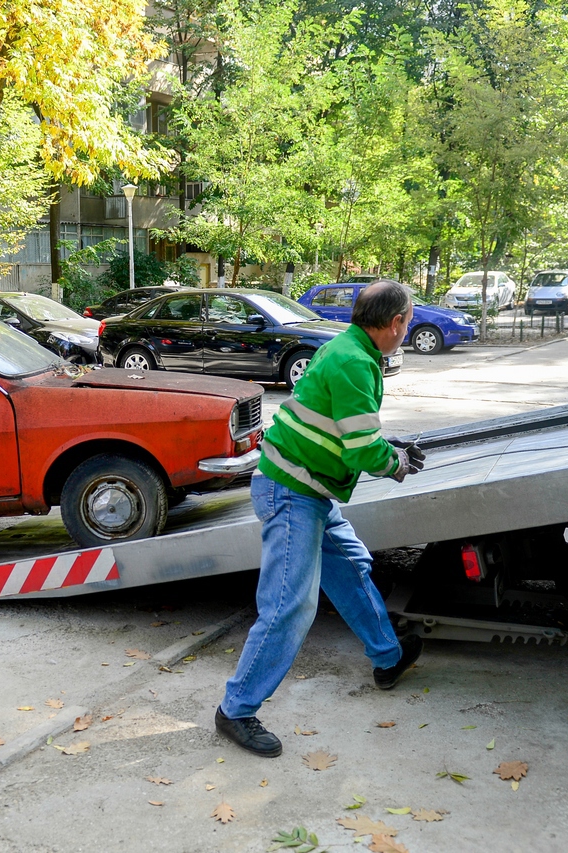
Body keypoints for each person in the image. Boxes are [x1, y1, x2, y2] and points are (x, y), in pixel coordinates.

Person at [215, 279, 427, 758]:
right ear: (394, 323)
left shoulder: (352, 349)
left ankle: (388, 659)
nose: (407, 329)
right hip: (292, 492)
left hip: (310, 488)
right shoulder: (354, 361)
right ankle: (236, 709)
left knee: (352, 567)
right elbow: (361, 447)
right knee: (290, 606)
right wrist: (395, 463)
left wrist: (387, 448)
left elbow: (347, 430)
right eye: (408, 322)